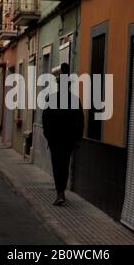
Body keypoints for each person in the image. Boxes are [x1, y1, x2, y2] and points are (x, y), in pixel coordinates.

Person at [42, 63, 84, 206]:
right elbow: (80, 121)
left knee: (57, 165)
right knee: (64, 165)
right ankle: (61, 192)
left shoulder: (51, 98)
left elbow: (45, 120)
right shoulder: (74, 100)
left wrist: (48, 135)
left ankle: (60, 192)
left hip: (55, 140)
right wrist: (76, 139)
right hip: (67, 141)